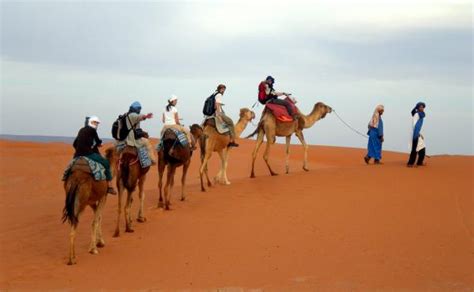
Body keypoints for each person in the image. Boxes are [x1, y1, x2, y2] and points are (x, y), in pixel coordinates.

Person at [73, 116, 117, 194]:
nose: (96, 124)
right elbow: (98, 141)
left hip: (77, 155)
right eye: (95, 123)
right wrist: (99, 144)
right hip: (88, 154)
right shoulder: (93, 131)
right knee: (106, 163)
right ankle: (110, 186)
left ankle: (66, 177)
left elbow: (74, 144)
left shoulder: (81, 130)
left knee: (71, 166)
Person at [407, 102, 426, 167]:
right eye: (420, 107)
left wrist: (420, 134)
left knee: (422, 148)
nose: (422, 108)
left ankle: (419, 162)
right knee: (414, 149)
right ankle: (410, 163)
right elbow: (414, 125)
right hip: (415, 134)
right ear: (417, 108)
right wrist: (417, 133)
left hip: (417, 133)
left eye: (423, 107)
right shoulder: (417, 114)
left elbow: (418, 126)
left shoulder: (421, 115)